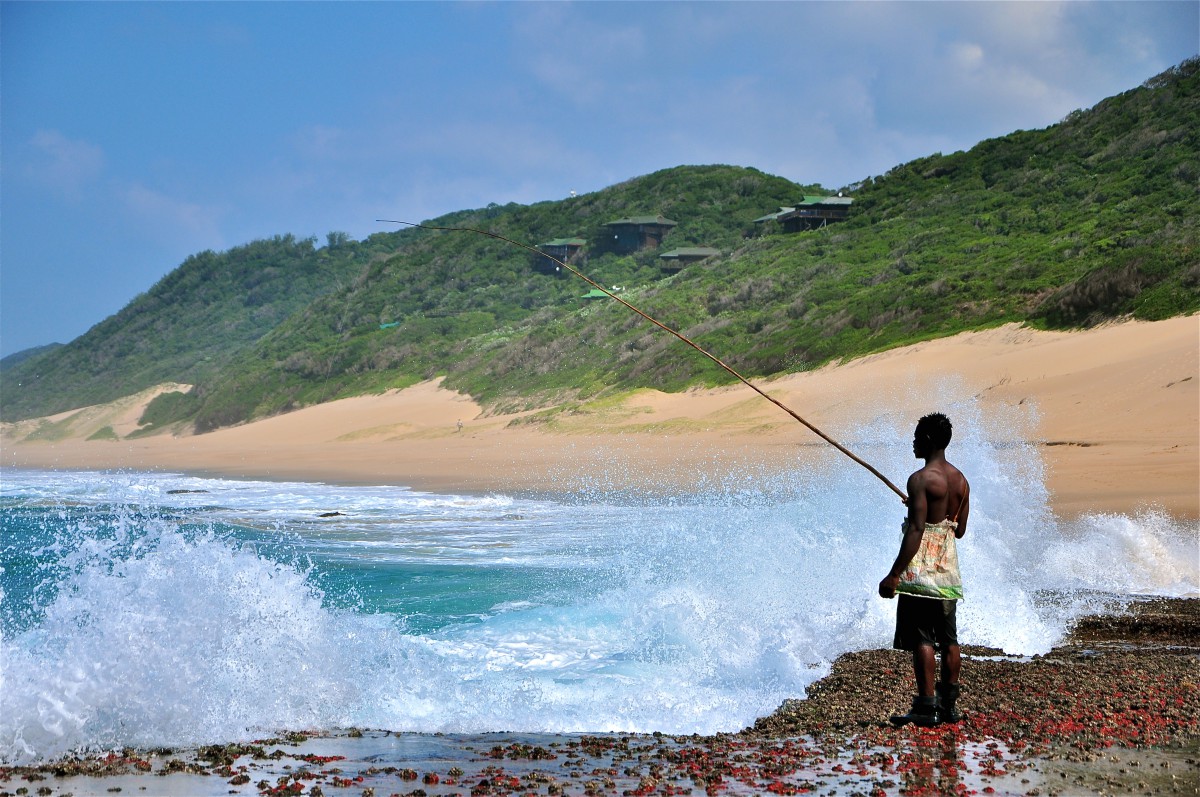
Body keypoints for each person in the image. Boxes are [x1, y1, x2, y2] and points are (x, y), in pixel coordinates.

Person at [878, 412, 970, 727]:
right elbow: (958, 530)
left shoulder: (920, 479)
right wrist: (928, 510)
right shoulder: (961, 481)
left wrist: (894, 575)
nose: (913, 442)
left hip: (920, 571)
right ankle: (948, 707)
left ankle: (925, 707)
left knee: (922, 638)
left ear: (929, 440)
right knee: (949, 639)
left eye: (917, 437)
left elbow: (917, 530)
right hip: (947, 571)